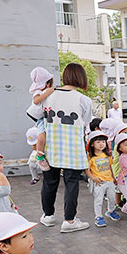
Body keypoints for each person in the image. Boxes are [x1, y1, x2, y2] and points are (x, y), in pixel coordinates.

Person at [40, 63, 93, 233]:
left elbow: (39, 116)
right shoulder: (83, 99)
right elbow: (85, 121)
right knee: (71, 183)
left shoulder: (49, 95)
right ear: (81, 78)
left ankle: (48, 216)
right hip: (73, 147)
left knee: (49, 182)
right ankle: (69, 221)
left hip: (51, 145)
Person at [85, 131, 121, 227]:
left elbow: (110, 167)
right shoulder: (90, 157)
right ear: (92, 144)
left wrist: (113, 178)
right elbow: (86, 170)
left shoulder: (107, 155)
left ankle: (110, 211)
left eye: (103, 142)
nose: (101, 144)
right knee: (98, 199)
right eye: (98, 142)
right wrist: (94, 178)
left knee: (112, 198)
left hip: (109, 181)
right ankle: (98, 217)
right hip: (99, 182)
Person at [26, 67, 55, 172]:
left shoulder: (45, 91)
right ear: (47, 84)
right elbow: (36, 101)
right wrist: (48, 92)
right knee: (42, 137)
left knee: (44, 135)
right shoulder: (38, 92)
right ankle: (40, 156)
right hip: (38, 116)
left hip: (43, 115)